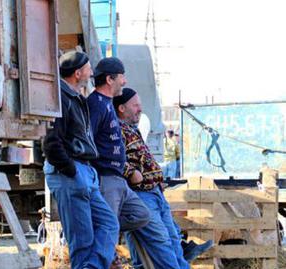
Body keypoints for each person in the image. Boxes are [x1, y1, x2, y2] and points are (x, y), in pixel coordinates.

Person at [113, 88, 212, 269]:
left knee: (172, 240)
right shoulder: (116, 129)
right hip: (140, 194)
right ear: (121, 108)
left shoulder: (131, 130)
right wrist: (131, 173)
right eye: (135, 105)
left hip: (154, 192)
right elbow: (112, 158)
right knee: (162, 245)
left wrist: (155, 179)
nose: (139, 109)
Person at [43, 51, 119, 269]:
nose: (92, 72)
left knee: (109, 223)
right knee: (82, 241)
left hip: (83, 172)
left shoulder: (73, 97)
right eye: (88, 67)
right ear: (78, 73)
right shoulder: (60, 98)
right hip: (71, 173)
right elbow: (50, 142)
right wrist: (72, 171)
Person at [87, 57, 150, 235]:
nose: (125, 81)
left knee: (141, 215)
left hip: (118, 177)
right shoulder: (96, 104)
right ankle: (102, 248)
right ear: (109, 79)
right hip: (106, 178)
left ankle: (102, 228)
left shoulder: (106, 104)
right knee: (108, 230)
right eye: (122, 76)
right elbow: (88, 140)